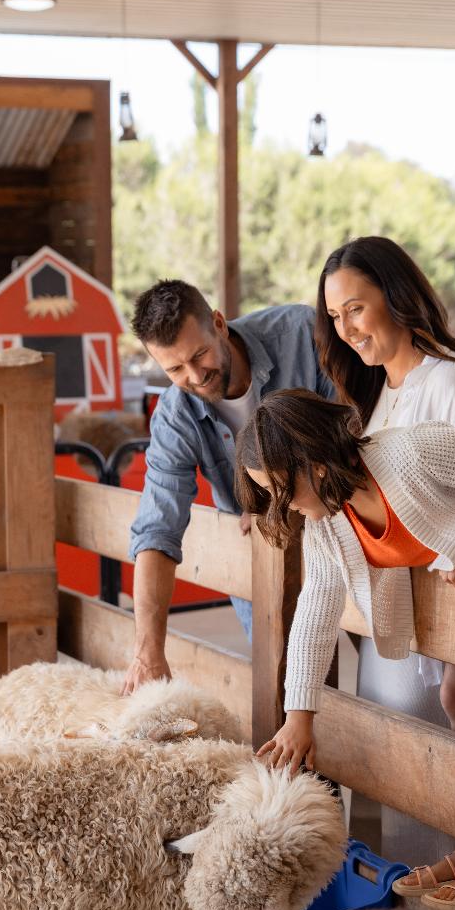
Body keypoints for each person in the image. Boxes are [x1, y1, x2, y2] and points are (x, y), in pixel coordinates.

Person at [315, 236, 455, 903]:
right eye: (335, 317)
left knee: (451, 773)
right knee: (406, 781)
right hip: (403, 616)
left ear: (398, 295)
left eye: (356, 308)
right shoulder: (374, 397)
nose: (347, 328)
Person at [122, 280, 332, 695]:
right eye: (174, 369)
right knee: (288, 683)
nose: (196, 376)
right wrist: (148, 653)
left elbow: (355, 429)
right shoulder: (174, 415)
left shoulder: (302, 334)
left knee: (378, 682)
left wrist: (278, 500)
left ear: (218, 323)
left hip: (347, 520)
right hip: (260, 551)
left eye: (199, 354)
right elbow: (157, 529)